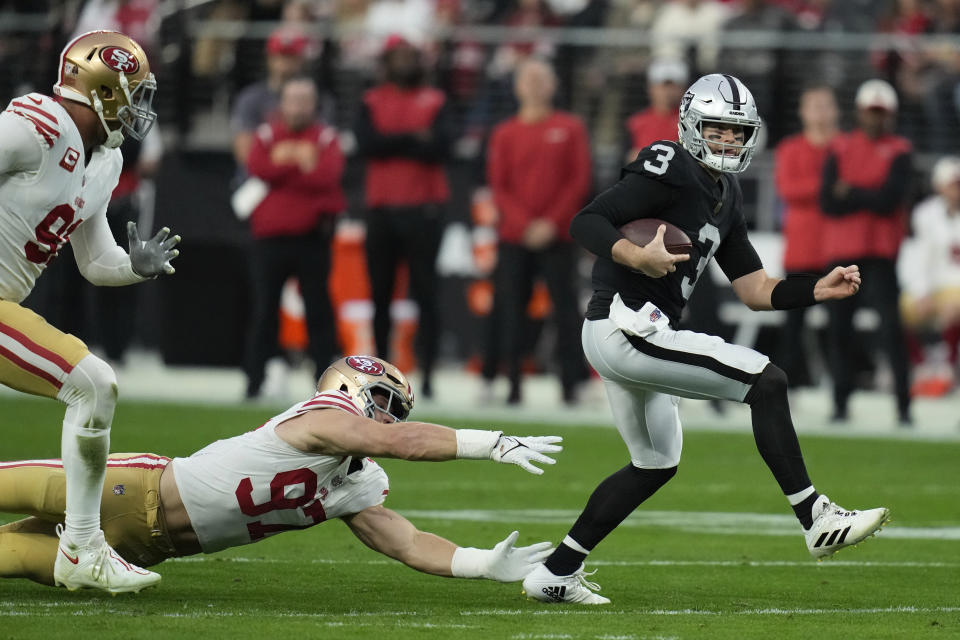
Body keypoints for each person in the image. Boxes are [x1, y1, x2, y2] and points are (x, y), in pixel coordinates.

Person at [521, 74, 889, 605]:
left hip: (636, 330)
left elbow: (757, 291)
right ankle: (815, 516)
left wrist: (818, 290)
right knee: (767, 380)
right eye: (717, 130)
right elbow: (588, 221)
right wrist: (635, 257)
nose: (727, 142)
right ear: (692, 125)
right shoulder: (669, 164)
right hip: (625, 321)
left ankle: (556, 572)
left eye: (737, 133)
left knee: (655, 464)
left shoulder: (728, 192)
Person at [0, 356, 561, 589]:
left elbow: (403, 540)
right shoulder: (323, 419)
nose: (392, 414)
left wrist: (477, 563)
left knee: (8, 558)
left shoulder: (354, 476)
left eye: (398, 407)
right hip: (128, 488)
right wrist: (489, 442)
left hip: (145, 550)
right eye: (385, 400)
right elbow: (392, 439)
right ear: (350, 388)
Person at [0, 30, 180, 593]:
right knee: (93, 384)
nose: (139, 107)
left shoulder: (105, 159)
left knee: (93, 386)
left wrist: (134, 266)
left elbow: (96, 258)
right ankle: (81, 546)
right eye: (134, 92)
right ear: (105, 89)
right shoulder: (40, 123)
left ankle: (80, 548)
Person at [482, 58, 591, 405]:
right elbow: (499, 187)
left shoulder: (570, 128)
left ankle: (572, 385)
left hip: (558, 237)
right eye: (527, 79)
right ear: (516, 87)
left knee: (566, 310)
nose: (533, 85)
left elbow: (579, 180)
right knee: (510, 309)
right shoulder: (504, 133)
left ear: (553, 85)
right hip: (516, 238)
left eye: (540, 78)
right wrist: (524, 224)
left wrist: (551, 222)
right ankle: (511, 383)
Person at [354, 35, 453, 397]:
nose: (405, 62)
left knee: (427, 293)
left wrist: (391, 141)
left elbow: (441, 148)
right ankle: (380, 375)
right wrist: (414, 139)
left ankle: (427, 375)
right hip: (382, 209)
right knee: (380, 295)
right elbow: (367, 145)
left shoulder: (435, 100)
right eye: (399, 56)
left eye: (410, 56)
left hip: (424, 210)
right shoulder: (371, 101)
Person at [243, 77, 345, 400]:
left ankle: (325, 387)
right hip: (270, 238)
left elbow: (327, 175)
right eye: (293, 99)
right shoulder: (266, 134)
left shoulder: (326, 137)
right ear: (281, 103)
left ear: (315, 105)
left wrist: (282, 165)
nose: (298, 106)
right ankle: (253, 382)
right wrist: (301, 165)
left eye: (305, 100)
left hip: (311, 237)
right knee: (263, 311)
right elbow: (258, 165)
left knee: (319, 312)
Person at [819, 79, 914, 426]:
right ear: (860, 112)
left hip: (880, 253)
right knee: (839, 330)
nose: (876, 118)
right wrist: (869, 195)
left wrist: (852, 192)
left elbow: (891, 201)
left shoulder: (900, 149)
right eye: (871, 111)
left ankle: (904, 407)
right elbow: (828, 201)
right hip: (844, 254)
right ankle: (840, 403)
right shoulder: (840, 147)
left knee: (892, 331)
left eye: (881, 112)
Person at [773, 85, 839, 386]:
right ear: (802, 112)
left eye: (825, 105)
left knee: (841, 324)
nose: (820, 112)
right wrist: (829, 187)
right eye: (814, 105)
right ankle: (788, 387)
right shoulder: (790, 148)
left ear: (836, 111)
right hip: (801, 251)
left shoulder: (844, 147)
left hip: (839, 250)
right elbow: (788, 190)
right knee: (793, 325)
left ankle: (842, 393)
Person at [900, 156, 960, 392]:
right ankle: (922, 366)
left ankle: (947, 365)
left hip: (954, 285)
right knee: (902, 309)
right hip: (933, 286)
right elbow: (918, 258)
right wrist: (920, 291)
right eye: (952, 184)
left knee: (955, 308)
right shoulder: (925, 214)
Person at [230, 27, 309, 168]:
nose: (284, 64)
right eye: (280, 56)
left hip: (301, 181)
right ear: (269, 58)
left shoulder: (316, 98)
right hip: (256, 180)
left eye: (291, 57)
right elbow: (244, 152)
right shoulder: (251, 98)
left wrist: (279, 152)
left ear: (300, 60)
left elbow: (317, 152)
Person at [625, 58, 688, 161]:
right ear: (650, 88)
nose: (668, 92)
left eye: (674, 86)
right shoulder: (635, 123)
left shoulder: (690, 122)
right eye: (663, 86)